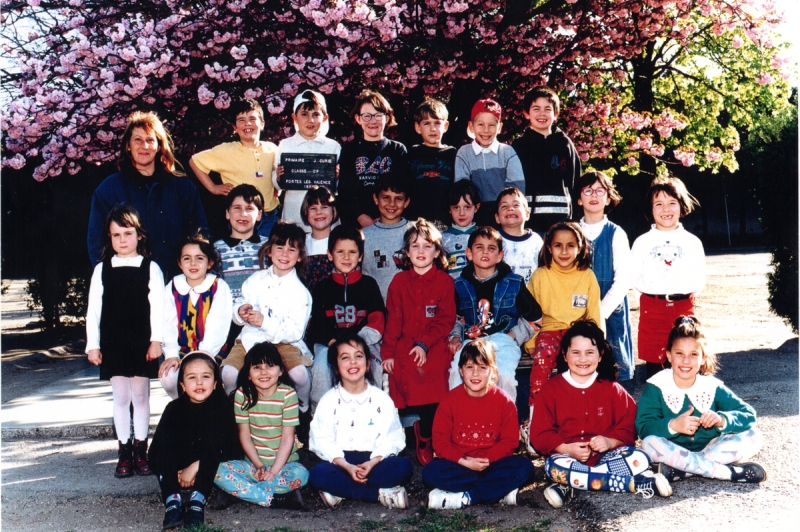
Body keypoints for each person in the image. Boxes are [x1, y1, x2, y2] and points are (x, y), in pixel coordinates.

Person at [530, 321, 672, 509]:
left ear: (600, 355)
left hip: (605, 458)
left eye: (590, 352)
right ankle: (634, 484)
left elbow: (628, 426)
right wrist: (567, 449)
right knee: (554, 467)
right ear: (564, 355)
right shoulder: (551, 390)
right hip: (567, 458)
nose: (583, 359)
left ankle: (570, 486)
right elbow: (540, 433)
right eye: (576, 353)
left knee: (639, 457)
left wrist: (609, 442)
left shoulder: (612, 389)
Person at [637, 316, 767, 484]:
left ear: (703, 358)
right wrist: (673, 425)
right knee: (649, 444)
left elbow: (749, 415)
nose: (686, 360)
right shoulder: (656, 385)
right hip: (673, 449)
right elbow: (643, 427)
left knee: (754, 436)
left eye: (693, 354)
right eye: (679, 353)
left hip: (710, 449)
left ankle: (684, 471)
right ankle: (726, 473)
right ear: (669, 356)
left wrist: (722, 419)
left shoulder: (711, 386)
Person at [85, 205, 164, 478]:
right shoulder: (102, 269)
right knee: (121, 397)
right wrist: (92, 344)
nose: (122, 240)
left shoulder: (150, 268)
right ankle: (124, 452)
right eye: (116, 235)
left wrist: (157, 341)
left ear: (139, 235)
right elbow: (93, 309)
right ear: (109, 237)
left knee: (140, 396)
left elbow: (158, 308)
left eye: (127, 233)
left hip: (141, 341)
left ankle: (142, 451)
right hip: (113, 341)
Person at [87, 111, 208, 280]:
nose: (144, 146)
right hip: (129, 284)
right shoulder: (109, 189)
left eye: (150, 140)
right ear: (128, 145)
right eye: (138, 140)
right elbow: (96, 243)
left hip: (177, 283)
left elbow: (200, 235)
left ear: (159, 146)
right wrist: (110, 280)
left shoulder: (183, 187)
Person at [424, 339, 534, 509]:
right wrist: (464, 461)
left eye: (482, 368)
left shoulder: (504, 402)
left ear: (493, 372)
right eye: (469, 367)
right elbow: (440, 442)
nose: (475, 374)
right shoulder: (449, 401)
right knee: (430, 472)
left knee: (524, 467)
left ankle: (467, 497)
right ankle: (497, 491)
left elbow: (510, 442)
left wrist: (486, 460)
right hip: (461, 465)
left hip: (491, 464)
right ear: (461, 371)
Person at [309, 332, 413, 509]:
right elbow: (321, 439)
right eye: (345, 358)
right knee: (318, 474)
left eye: (358, 356)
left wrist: (372, 462)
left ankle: (341, 491)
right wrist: (348, 467)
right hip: (342, 461)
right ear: (335, 367)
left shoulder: (381, 399)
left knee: (403, 467)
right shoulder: (328, 400)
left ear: (367, 364)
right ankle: (378, 494)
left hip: (374, 461)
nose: (353, 362)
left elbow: (393, 437)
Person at [382, 219, 456, 466]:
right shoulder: (399, 282)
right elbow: (392, 321)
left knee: (435, 374)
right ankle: (406, 437)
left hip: (434, 343)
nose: (421, 251)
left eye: (427, 246)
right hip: (404, 345)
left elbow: (445, 319)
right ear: (406, 252)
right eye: (415, 246)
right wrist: (388, 353)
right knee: (407, 370)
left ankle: (426, 435)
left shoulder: (444, 282)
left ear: (437, 252)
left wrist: (424, 344)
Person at [447, 226, 542, 401]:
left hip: (503, 341)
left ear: (499, 255)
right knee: (456, 373)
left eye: (491, 248)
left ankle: (506, 422)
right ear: (469, 253)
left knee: (503, 375)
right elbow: (457, 318)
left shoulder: (513, 282)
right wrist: (455, 337)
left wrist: (513, 336)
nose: (485, 252)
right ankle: (461, 421)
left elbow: (535, 318)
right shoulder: (460, 284)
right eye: (479, 247)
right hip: (471, 342)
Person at [149, 352, 241, 530]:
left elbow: (231, 448)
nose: (199, 382)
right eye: (192, 377)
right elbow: (155, 452)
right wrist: (173, 471)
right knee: (165, 448)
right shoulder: (174, 408)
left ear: (215, 383)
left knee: (214, 449)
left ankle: (196, 504)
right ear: (182, 385)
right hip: (178, 465)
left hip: (209, 463)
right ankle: (173, 502)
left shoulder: (223, 407)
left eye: (205, 377)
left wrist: (196, 467)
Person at [214, 343, 310, 508]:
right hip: (253, 465)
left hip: (284, 464)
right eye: (257, 367)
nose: (264, 372)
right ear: (249, 374)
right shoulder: (243, 395)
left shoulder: (288, 395)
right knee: (216, 471)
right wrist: (259, 466)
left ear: (281, 371)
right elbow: (244, 435)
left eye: (270, 366)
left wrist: (273, 471)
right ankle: (273, 498)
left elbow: (288, 439)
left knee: (301, 475)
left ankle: (241, 493)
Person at [232, 223, 313, 413]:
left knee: (300, 374)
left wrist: (264, 322)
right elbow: (239, 303)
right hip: (251, 338)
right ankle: (233, 411)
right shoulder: (256, 279)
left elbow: (294, 332)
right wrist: (240, 311)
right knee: (228, 374)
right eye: (279, 248)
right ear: (269, 251)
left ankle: (303, 410)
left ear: (300, 256)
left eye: (291, 250)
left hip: (285, 343)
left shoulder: (300, 292)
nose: (284, 254)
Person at [631, 177, 705, 378]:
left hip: (683, 309)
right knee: (656, 372)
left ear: (682, 207)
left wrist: (677, 295)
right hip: (652, 309)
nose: (666, 209)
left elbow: (699, 279)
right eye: (659, 204)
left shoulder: (692, 242)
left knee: (685, 363)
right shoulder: (642, 242)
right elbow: (635, 278)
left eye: (672, 203)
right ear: (650, 209)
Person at [308, 225, 386, 412]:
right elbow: (317, 323)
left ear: (360, 256)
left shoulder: (368, 284)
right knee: (321, 367)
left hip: (364, 342)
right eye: (340, 252)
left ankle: (374, 412)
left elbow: (377, 318)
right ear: (329, 254)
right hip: (330, 343)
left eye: (352, 252)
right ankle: (319, 413)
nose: (346, 257)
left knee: (373, 366)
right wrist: (333, 342)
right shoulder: (322, 287)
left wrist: (359, 343)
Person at [524, 222, 603, 405]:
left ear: (580, 247)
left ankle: (583, 407)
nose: (564, 251)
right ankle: (536, 409)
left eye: (570, 246)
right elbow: (530, 312)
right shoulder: (540, 275)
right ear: (549, 248)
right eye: (558, 245)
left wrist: (597, 340)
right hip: (548, 331)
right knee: (544, 356)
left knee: (583, 360)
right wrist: (530, 341)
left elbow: (594, 312)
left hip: (579, 331)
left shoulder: (587, 275)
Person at [575, 171, 634, 388]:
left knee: (614, 371)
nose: (594, 195)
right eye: (588, 190)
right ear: (579, 198)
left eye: (600, 190)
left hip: (610, 312)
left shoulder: (616, 233)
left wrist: (600, 312)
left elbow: (623, 279)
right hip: (578, 311)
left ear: (608, 198)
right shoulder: (572, 232)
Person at [190, 98, 280, 238]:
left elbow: (276, 173)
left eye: (252, 118)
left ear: (262, 123)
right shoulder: (226, 151)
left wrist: (277, 187)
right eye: (241, 120)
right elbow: (194, 161)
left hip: (270, 216)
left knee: (269, 256)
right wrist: (213, 187)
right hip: (241, 217)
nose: (247, 124)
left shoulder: (272, 149)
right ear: (234, 127)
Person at [159, 234, 233, 399]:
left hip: (213, 351)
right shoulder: (173, 287)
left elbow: (218, 326)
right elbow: (168, 323)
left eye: (199, 258)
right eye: (187, 258)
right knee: (168, 377)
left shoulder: (218, 287)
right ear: (179, 263)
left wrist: (203, 356)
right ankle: (181, 406)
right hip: (181, 351)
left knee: (215, 378)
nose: (193, 263)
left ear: (210, 262)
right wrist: (171, 353)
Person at [213, 184, 269, 393]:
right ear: (227, 213)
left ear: (260, 214)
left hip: (261, 322)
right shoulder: (215, 249)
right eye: (236, 208)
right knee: (229, 373)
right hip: (229, 323)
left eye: (249, 208)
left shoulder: (269, 248)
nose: (243, 214)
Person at [511, 86, 581, 233]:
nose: (542, 114)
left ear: (555, 114)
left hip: (561, 223)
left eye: (547, 109)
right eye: (536, 108)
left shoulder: (565, 144)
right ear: (526, 113)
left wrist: (574, 219)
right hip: (529, 223)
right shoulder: (519, 146)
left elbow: (574, 183)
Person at [338, 90, 409, 228]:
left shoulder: (397, 150)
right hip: (356, 223)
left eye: (378, 115)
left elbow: (403, 189)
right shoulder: (349, 150)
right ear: (358, 119)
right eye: (367, 116)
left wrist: (386, 217)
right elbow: (345, 192)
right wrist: (361, 217)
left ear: (387, 118)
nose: (373, 121)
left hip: (390, 219)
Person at [277, 90, 342, 232]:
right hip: (294, 213)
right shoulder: (285, 145)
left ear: (325, 117)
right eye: (304, 114)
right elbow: (276, 183)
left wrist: (337, 177)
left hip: (324, 218)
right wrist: (278, 177)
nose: (310, 120)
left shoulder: (333, 147)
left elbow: (337, 187)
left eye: (316, 114)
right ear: (294, 117)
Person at [454, 99, 524, 226]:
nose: (486, 130)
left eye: (491, 125)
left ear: (499, 127)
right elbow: (462, 189)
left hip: (504, 216)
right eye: (480, 124)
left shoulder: (507, 152)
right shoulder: (464, 153)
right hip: (475, 217)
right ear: (471, 126)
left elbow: (517, 190)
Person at [406, 99, 457, 228]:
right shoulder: (412, 153)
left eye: (437, 123)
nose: (432, 128)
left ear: (445, 126)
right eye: (426, 123)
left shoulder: (454, 154)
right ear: (418, 127)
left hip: (446, 222)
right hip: (416, 222)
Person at [361, 175, 412, 301]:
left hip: (413, 310)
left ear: (406, 202)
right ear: (375, 198)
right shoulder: (364, 236)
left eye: (398, 199)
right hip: (378, 310)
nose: (392, 204)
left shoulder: (416, 231)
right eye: (386, 197)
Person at [495, 187, 543, 285]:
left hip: (531, 295)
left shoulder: (536, 240)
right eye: (504, 206)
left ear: (527, 214)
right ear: (497, 218)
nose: (510, 208)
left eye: (516, 205)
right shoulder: (494, 239)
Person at [442, 180, 481, 280]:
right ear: (449, 209)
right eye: (456, 207)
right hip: (452, 291)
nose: (461, 213)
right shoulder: (442, 238)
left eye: (467, 207)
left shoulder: (484, 235)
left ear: (476, 207)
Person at [302, 185, 339, 291]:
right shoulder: (300, 243)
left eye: (324, 207)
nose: (319, 212)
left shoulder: (340, 241)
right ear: (306, 212)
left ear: (333, 210)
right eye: (313, 208)